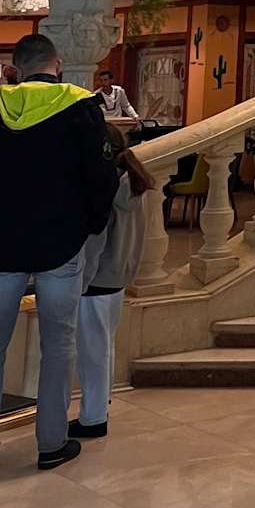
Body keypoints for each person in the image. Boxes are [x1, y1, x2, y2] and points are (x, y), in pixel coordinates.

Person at [0, 32, 117, 473]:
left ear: (17, 68)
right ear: (57, 65)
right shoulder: (81, 108)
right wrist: (87, 227)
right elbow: (101, 178)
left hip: (1, 248)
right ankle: (51, 444)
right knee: (58, 345)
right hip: (61, 245)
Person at [70, 125, 156, 440]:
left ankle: (93, 418)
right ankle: (100, 405)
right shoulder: (132, 180)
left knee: (92, 351)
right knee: (104, 346)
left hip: (96, 279)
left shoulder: (105, 187)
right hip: (118, 277)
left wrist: (81, 281)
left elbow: (95, 241)